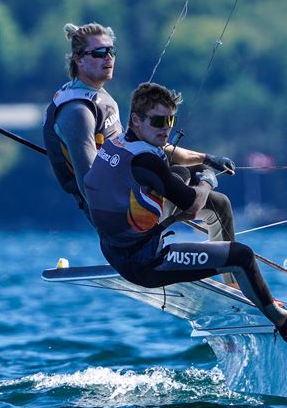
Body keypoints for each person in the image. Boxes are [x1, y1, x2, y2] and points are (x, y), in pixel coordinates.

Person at [84, 82, 287, 342]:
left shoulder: (119, 141)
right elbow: (191, 205)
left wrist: (206, 159)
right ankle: (286, 324)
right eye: (158, 121)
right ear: (136, 119)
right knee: (241, 256)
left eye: (170, 119)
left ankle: (233, 285)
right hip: (144, 263)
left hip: (116, 246)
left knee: (217, 203)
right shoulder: (146, 162)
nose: (166, 128)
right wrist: (207, 180)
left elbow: (167, 151)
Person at [41, 22, 237, 244]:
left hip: (132, 188)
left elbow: (138, 148)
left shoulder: (99, 96)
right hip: (119, 210)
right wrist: (126, 241)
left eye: (111, 51)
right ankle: (158, 255)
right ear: (79, 60)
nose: (108, 58)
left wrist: (208, 158)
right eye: (99, 53)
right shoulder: (78, 112)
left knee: (205, 183)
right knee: (196, 189)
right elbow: (91, 188)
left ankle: (223, 271)